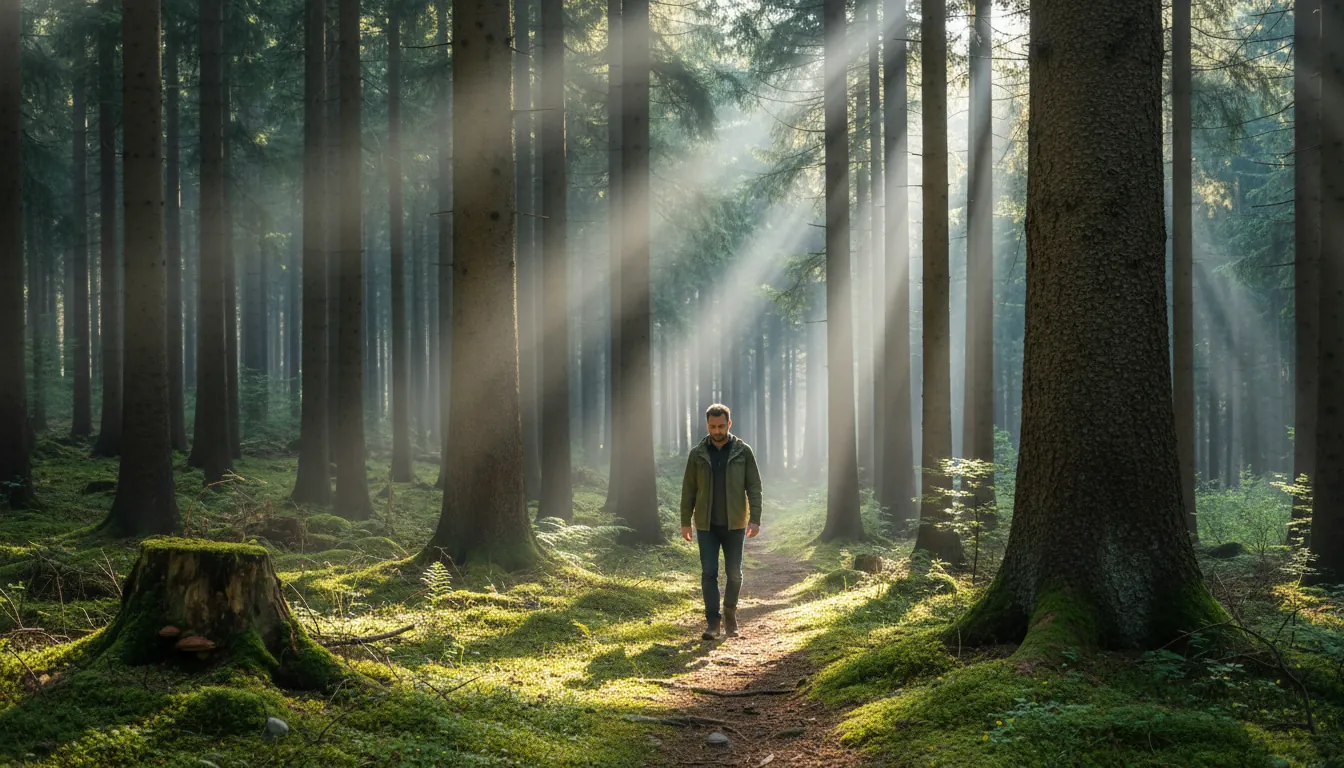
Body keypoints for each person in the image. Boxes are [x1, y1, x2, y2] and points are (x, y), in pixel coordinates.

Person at [679, 403, 763, 640]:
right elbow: (688, 490)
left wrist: (754, 519)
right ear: (707, 425)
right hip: (706, 525)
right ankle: (712, 623)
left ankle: (730, 614)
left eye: (721, 426)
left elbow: (754, 486)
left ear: (729, 424)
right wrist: (686, 521)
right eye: (712, 426)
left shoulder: (742, 451)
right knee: (709, 573)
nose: (717, 431)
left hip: (735, 523)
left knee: (734, 574)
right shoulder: (697, 454)